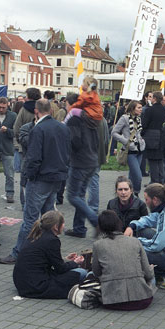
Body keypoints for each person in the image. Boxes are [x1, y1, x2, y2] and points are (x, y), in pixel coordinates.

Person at [0, 99, 69, 264]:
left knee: (30, 219)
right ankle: (45, 250)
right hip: (56, 177)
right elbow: (67, 153)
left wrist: (28, 176)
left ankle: (18, 253)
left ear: (36, 111)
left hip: (40, 177)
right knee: (48, 217)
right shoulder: (62, 128)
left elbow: (34, 156)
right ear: (51, 110)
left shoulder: (38, 129)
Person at [12, 211, 87, 299]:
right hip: (36, 285)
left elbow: (44, 259)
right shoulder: (52, 240)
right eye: (63, 223)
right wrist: (75, 262)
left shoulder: (36, 234)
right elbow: (60, 269)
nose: (64, 226)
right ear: (55, 226)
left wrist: (66, 260)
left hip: (22, 282)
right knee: (82, 272)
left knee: (75, 272)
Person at [92, 211, 156, 310]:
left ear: (100, 227)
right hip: (142, 300)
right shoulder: (135, 241)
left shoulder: (98, 245)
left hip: (112, 301)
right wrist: (150, 269)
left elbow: (96, 272)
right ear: (118, 223)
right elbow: (148, 273)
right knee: (152, 277)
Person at [64, 77, 103, 238]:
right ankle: (79, 229)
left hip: (80, 161)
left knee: (72, 195)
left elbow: (75, 141)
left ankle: (95, 222)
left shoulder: (75, 117)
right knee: (80, 195)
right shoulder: (93, 117)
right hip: (92, 159)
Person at [112, 101, 147, 193]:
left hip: (139, 150)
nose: (141, 109)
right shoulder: (124, 118)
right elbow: (114, 132)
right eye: (139, 107)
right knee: (138, 176)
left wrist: (142, 141)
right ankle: (136, 193)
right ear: (132, 108)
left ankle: (130, 196)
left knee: (132, 175)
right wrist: (126, 141)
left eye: (141, 107)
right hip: (130, 151)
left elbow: (138, 132)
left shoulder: (138, 118)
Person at [14, 88, 41, 204]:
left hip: (25, 147)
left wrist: (20, 140)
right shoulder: (42, 108)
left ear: (28, 96)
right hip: (40, 148)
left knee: (24, 175)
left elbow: (16, 128)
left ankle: (24, 201)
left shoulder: (23, 109)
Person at [141, 92, 165, 184]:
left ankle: (154, 181)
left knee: (152, 160)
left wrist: (142, 134)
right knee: (160, 159)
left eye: (152, 97)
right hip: (162, 135)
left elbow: (144, 124)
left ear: (155, 99)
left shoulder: (150, 110)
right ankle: (161, 180)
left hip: (151, 136)